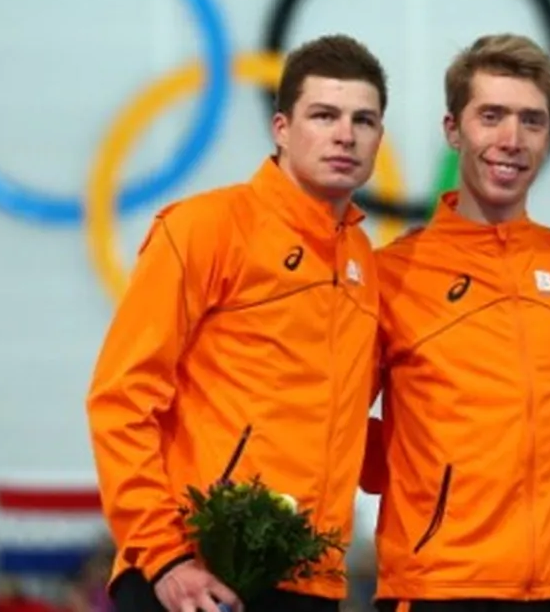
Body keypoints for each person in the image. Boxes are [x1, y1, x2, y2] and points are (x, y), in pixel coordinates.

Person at [86, 34, 389, 612]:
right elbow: (121, 399)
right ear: (282, 128)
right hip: (195, 572)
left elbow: (343, 423)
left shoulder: (363, 264)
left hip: (310, 580)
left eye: (363, 120)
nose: (345, 134)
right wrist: (164, 556)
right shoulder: (206, 228)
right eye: (324, 115)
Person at [361, 34, 550, 611]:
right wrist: (422, 474)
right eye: (490, 116)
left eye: (531, 120)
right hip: (439, 585)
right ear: (454, 129)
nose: (511, 140)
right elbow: (332, 422)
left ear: (549, 135)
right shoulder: (393, 272)